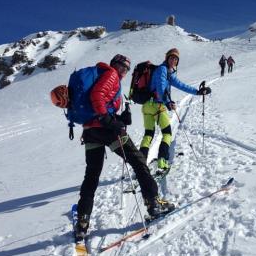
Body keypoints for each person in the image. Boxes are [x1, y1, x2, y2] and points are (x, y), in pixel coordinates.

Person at [71, 54, 175, 239]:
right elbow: (97, 96)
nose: (124, 71)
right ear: (114, 65)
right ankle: (153, 203)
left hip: (90, 132)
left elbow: (101, 104)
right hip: (107, 130)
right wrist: (109, 120)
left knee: (92, 175)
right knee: (138, 161)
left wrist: (119, 118)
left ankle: (82, 220)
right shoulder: (111, 75)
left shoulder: (106, 75)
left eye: (127, 69)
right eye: (122, 67)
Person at [139, 48, 211, 171]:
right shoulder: (162, 70)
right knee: (167, 133)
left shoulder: (168, 73)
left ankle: (139, 165)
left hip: (147, 106)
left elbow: (181, 85)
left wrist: (197, 92)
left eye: (176, 59)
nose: (174, 60)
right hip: (157, 105)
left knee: (148, 135)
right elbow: (161, 87)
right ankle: (162, 161)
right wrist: (167, 101)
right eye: (172, 58)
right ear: (167, 58)